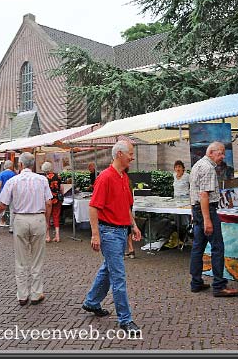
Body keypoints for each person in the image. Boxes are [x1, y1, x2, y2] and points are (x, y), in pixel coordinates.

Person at [82, 140, 143, 336]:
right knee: (118, 276)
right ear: (119, 155)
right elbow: (93, 207)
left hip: (120, 231)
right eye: (130, 154)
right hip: (109, 233)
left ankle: (92, 302)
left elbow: (126, 206)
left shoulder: (123, 177)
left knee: (108, 270)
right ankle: (125, 319)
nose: (132, 157)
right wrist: (95, 234)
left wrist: (133, 225)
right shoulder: (106, 178)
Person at [0, 152, 52, 306]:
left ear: (20, 165)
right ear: (32, 165)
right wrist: (46, 222)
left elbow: (3, 204)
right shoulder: (42, 180)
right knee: (37, 259)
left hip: (20, 219)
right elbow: (49, 203)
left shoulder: (13, 181)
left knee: (20, 259)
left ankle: (22, 295)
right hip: (38, 218)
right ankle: (36, 294)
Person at [189, 141, 238, 297]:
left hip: (198, 210)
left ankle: (196, 282)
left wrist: (195, 213)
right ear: (211, 152)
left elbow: (194, 192)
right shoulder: (208, 168)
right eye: (220, 153)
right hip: (207, 211)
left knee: (198, 247)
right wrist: (207, 220)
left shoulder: (197, 165)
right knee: (217, 248)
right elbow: (204, 195)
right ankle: (219, 286)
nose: (223, 157)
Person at [41, 161, 63, 243]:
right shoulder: (58, 176)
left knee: (47, 217)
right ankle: (57, 236)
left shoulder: (44, 178)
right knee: (56, 216)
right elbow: (61, 188)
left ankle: (47, 236)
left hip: (48, 199)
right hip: (57, 199)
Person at [0, 160, 17, 233]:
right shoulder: (14, 174)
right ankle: (11, 228)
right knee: (12, 211)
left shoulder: (2, 173)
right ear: (11, 166)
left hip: (3, 194)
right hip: (12, 194)